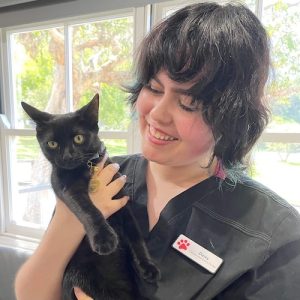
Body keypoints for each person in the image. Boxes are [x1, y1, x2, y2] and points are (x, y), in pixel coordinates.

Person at [15, 2, 300, 300]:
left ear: (232, 118)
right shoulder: (98, 176)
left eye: (188, 103)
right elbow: (32, 293)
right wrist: (68, 218)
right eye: (153, 88)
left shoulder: (274, 236)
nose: (157, 115)